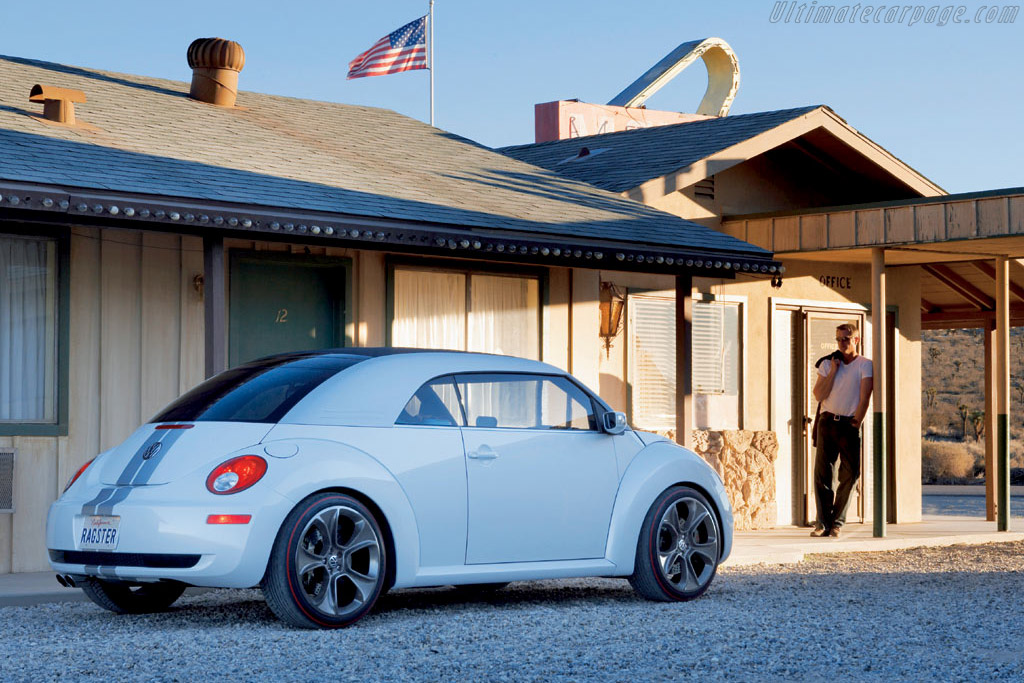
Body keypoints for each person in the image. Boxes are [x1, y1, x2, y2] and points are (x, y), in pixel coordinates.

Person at [810, 321, 873, 538]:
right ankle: (823, 523)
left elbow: (865, 396)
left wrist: (857, 421)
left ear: (856, 340)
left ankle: (837, 522)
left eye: (846, 338)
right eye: (838, 339)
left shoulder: (865, 365)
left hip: (850, 424)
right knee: (823, 475)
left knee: (851, 474)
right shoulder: (828, 364)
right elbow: (819, 395)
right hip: (827, 422)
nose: (841, 343)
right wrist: (834, 371)